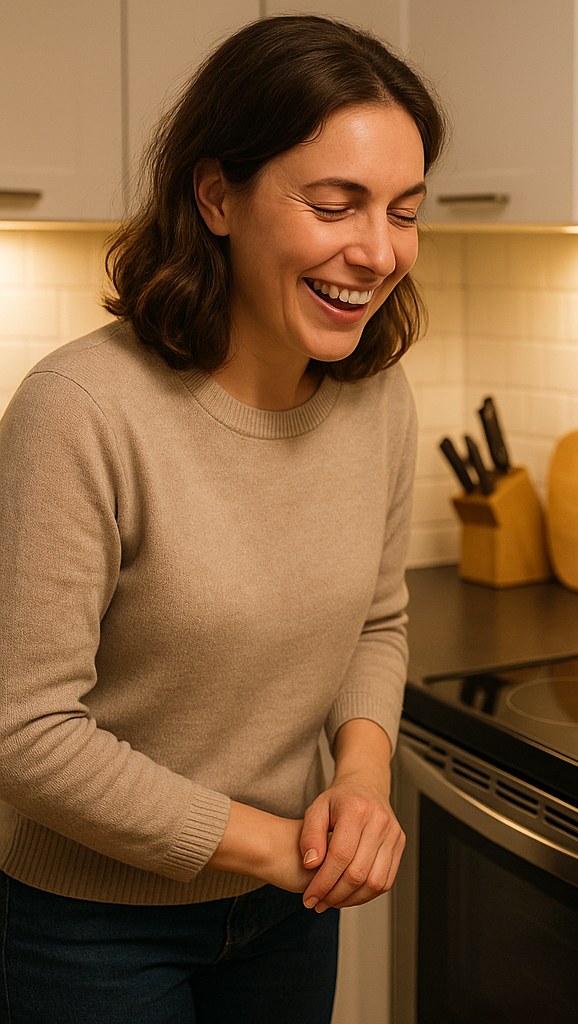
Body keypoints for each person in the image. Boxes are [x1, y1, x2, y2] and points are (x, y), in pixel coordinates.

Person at [0, 14, 445, 1023]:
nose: (377, 252)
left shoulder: (376, 399)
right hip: (88, 927)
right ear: (216, 196)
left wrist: (363, 779)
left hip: (287, 910)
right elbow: (23, 732)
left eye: (404, 211)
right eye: (337, 205)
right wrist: (279, 842)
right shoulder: (79, 408)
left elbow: (377, 618)